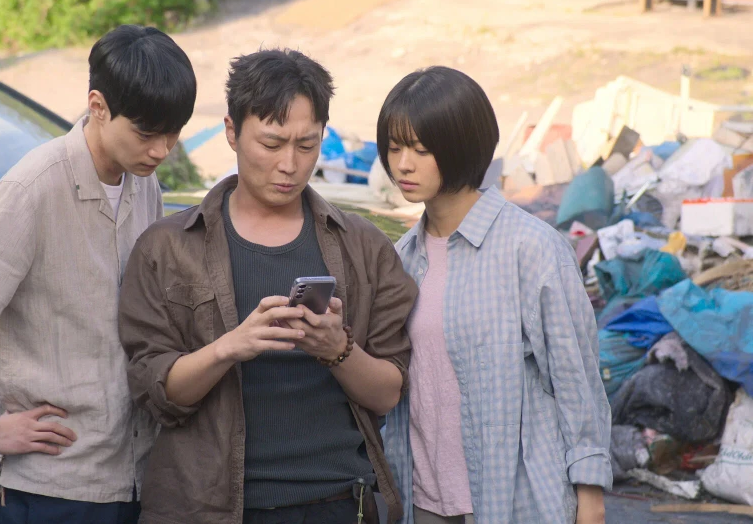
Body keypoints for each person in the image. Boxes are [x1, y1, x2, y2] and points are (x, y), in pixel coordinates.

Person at [0, 25, 196, 524]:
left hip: (131, 475)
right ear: (98, 106)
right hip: (50, 484)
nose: (161, 150)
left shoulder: (143, 184)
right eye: (147, 134)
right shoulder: (32, 188)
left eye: (173, 134)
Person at [119, 48, 418, 524]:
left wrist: (337, 350)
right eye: (272, 143)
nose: (290, 165)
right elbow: (155, 394)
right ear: (232, 132)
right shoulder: (167, 248)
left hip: (337, 501)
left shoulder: (362, 246)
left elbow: (388, 394)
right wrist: (229, 348)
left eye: (307, 145)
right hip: (209, 508)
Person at [380, 67, 612, 524]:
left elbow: (576, 379)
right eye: (394, 147)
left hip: (516, 501)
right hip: (423, 502)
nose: (403, 164)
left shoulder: (531, 249)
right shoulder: (400, 259)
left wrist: (591, 496)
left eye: (421, 149)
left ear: (462, 146)